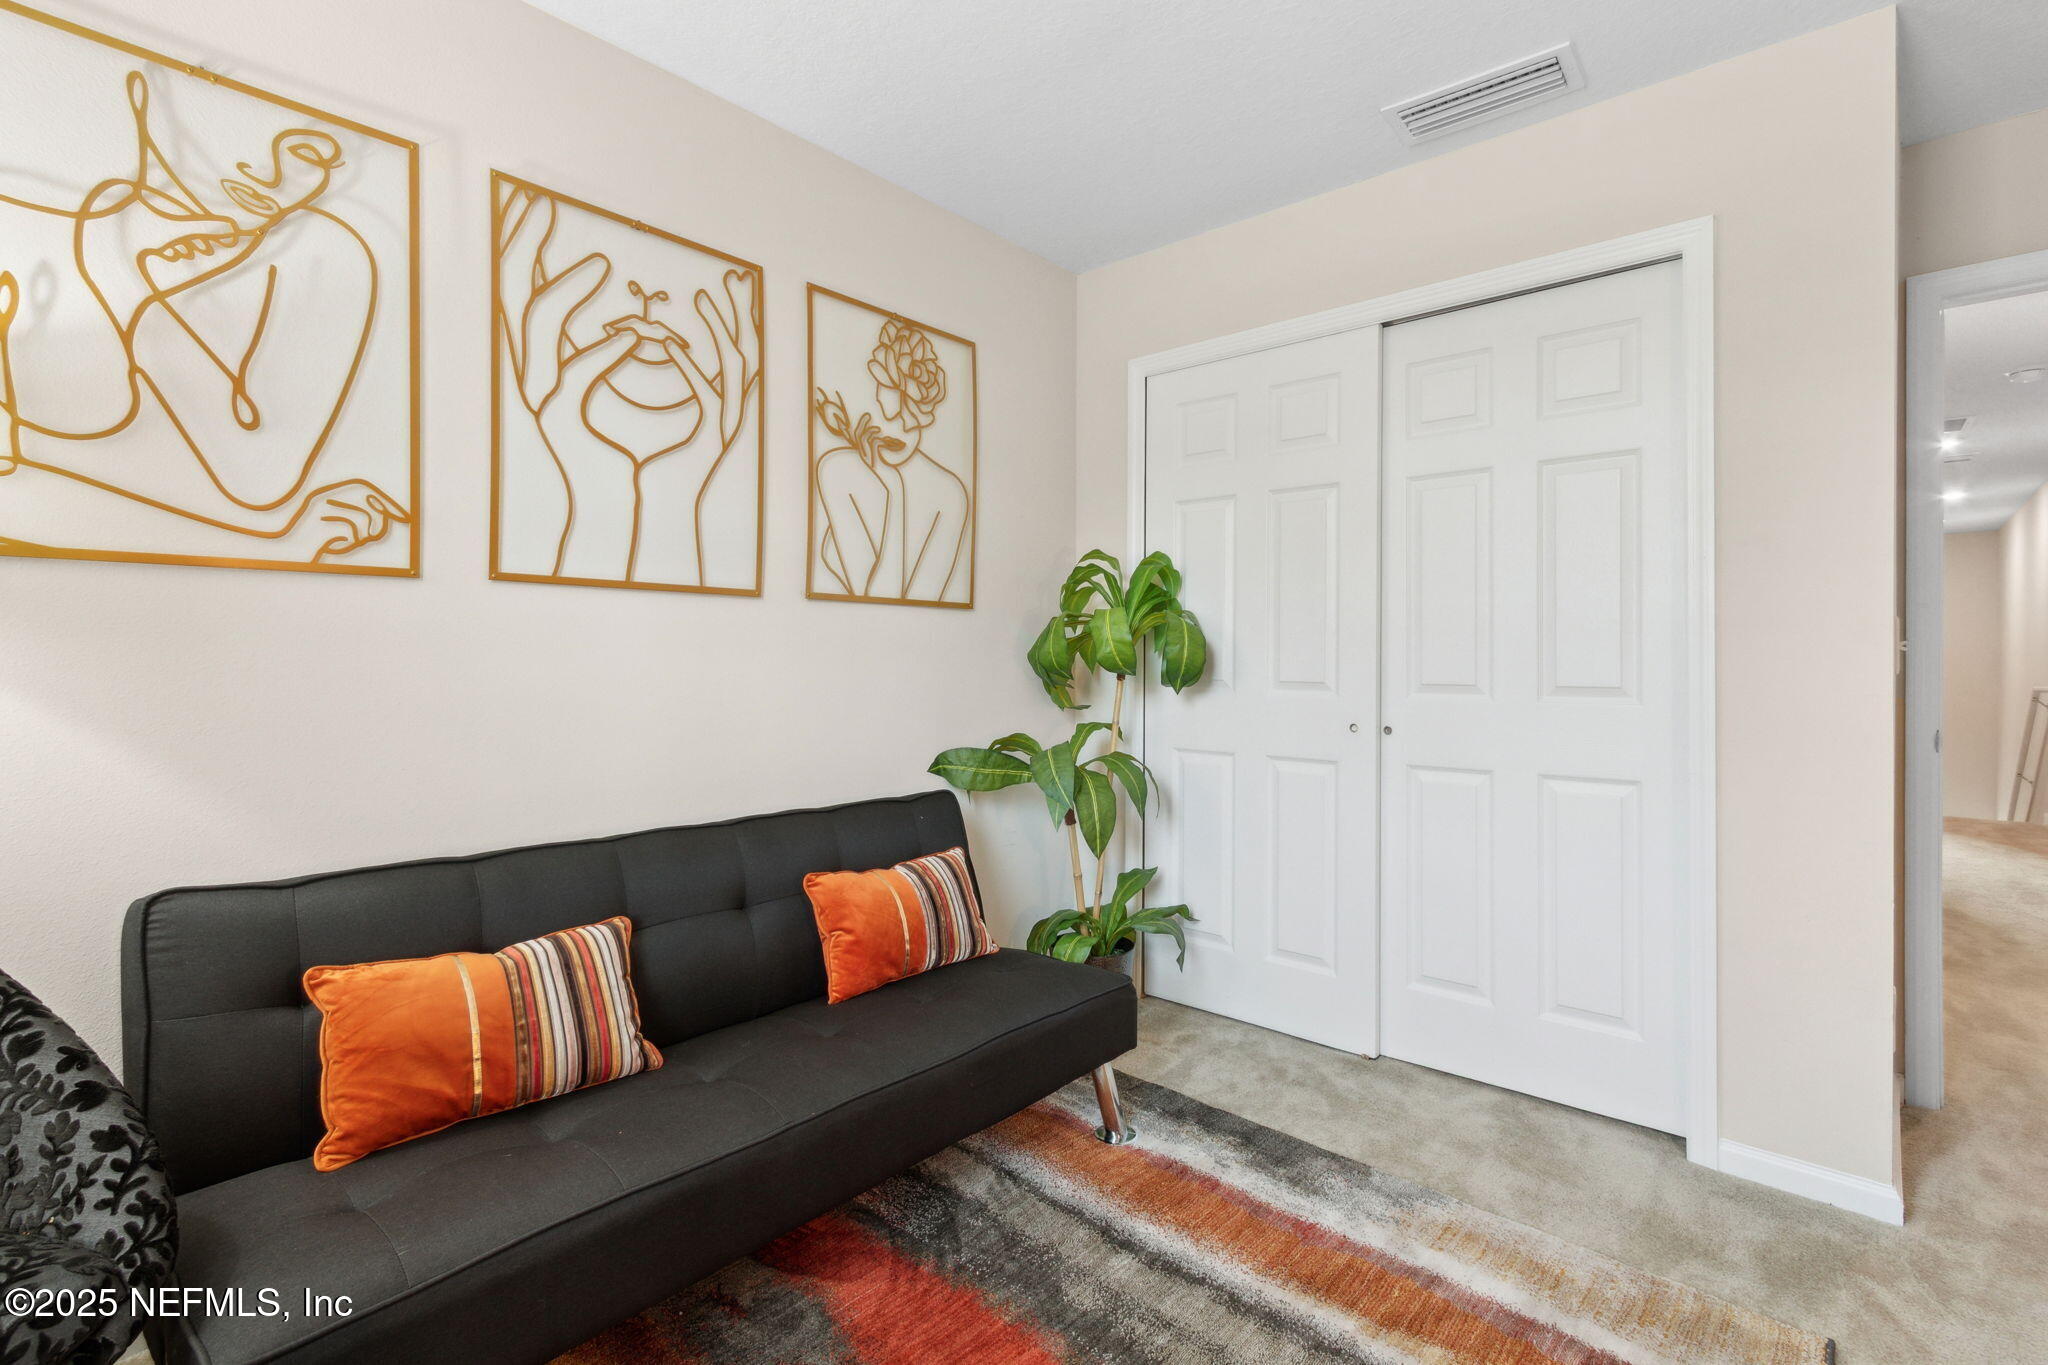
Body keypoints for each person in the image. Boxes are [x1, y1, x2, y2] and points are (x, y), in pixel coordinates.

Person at [0, 72, 407, 565]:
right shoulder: (28, 244)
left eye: (311, 159)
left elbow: (256, 478)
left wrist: (142, 296)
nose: (279, 180)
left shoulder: (316, 249)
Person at [814, 317, 970, 602]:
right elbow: (872, 597)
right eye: (885, 413)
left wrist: (895, 488)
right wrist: (893, 490)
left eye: (905, 416)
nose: (895, 429)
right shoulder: (836, 470)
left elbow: (920, 605)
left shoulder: (950, 494)